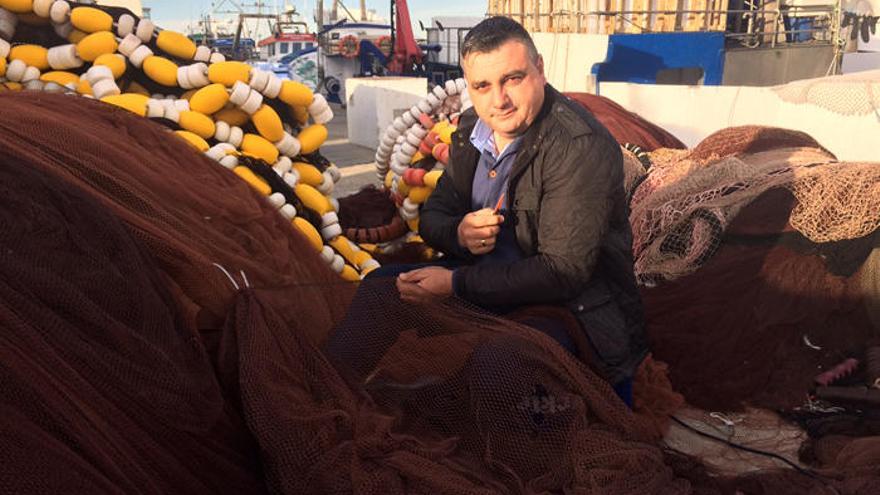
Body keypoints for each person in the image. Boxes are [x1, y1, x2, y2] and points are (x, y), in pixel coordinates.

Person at [372, 16, 647, 404]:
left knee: (498, 366)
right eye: (482, 86)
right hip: (484, 282)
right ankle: (334, 402)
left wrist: (453, 284)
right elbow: (433, 215)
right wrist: (459, 233)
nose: (498, 100)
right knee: (378, 289)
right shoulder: (471, 129)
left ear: (540, 70)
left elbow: (563, 273)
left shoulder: (578, 145)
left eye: (512, 79)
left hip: (569, 308)